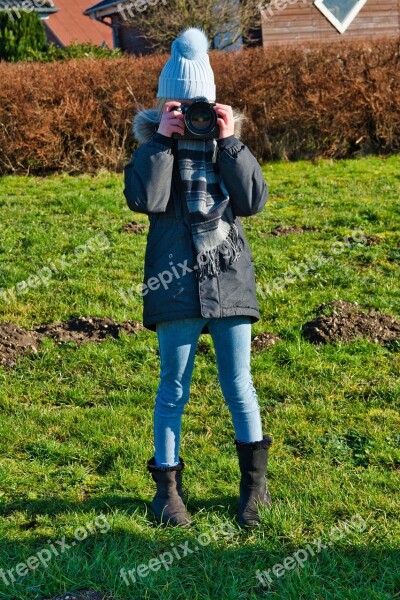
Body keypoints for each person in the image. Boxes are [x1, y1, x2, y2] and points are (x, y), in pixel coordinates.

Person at [123, 27, 272, 528]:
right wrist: (162, 141)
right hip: (175, 284)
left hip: (228, 280)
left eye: (199, 103)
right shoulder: (152, 147)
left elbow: (251, 202)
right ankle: (167, 494)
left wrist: (229, 142)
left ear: (213, 102)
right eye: (180, 105)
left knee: (239, 386)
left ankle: (255, 490)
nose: (191, 113)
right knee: (173, 389)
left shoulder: (227, 144)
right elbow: (147, 199)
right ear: (166, 104)